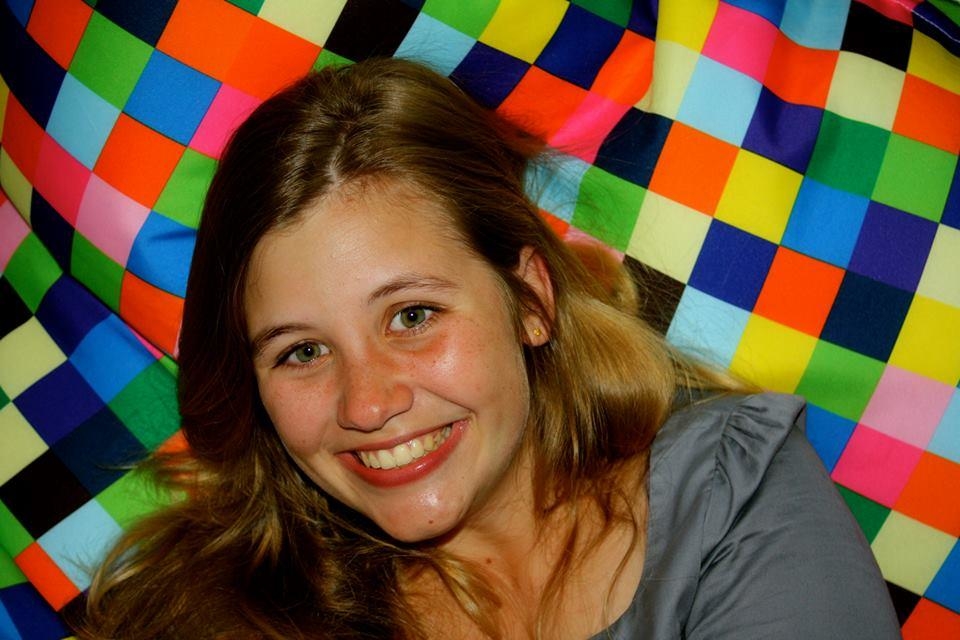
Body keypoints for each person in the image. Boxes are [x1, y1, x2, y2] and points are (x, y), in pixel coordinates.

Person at [77, 58, 901, 639]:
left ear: (529, 301)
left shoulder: (726, 495)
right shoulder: (227, 611)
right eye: (301, 352)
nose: (368, 404)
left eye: (412, 316)